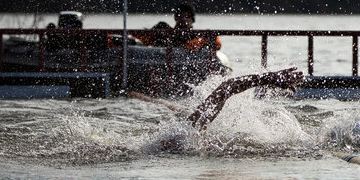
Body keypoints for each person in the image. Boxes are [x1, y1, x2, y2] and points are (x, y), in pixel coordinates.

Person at [129, 67, 304, 131]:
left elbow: (225, 89)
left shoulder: (191, 132)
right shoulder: (189, 133)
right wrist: (265, 78)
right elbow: (225, 88)